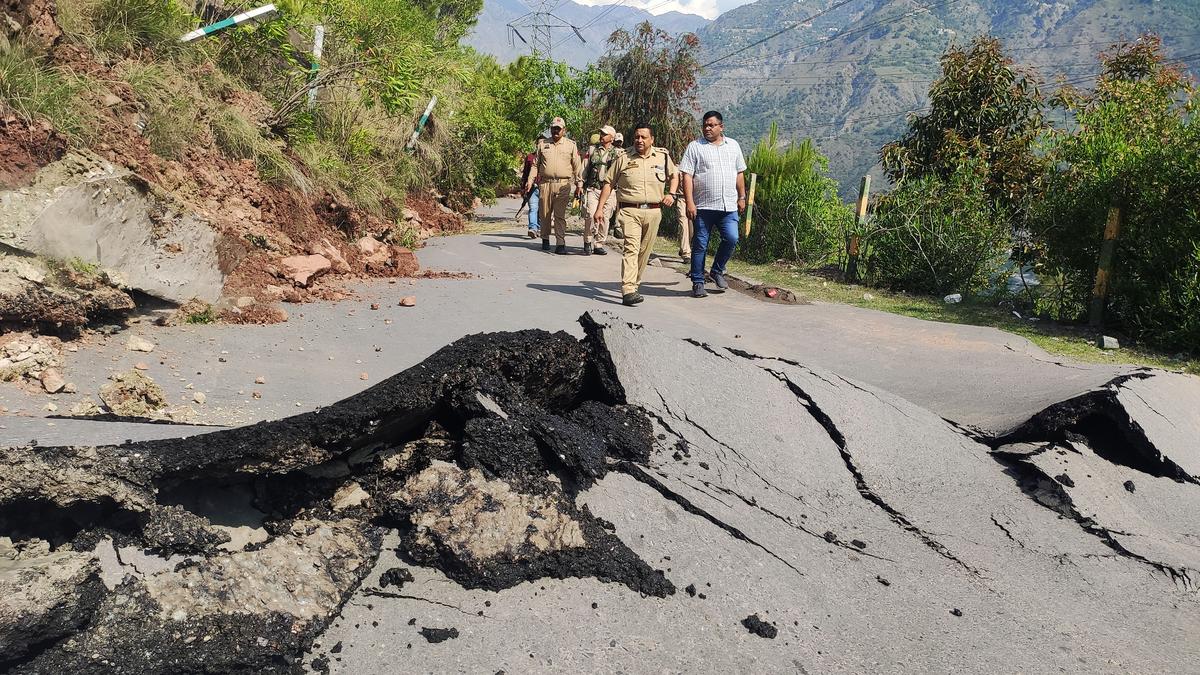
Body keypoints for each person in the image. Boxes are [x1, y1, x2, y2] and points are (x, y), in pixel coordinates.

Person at [594, 122, 678, 307]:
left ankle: (635, 283)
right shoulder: (623, 157)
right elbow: (608, 183)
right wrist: (600, 209)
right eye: (637, 137)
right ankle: (628, 289)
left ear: (652, 140)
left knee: (644, 252)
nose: (639, 140)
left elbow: (674, 175)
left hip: (654, 211)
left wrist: (671, 194)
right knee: (631, 249)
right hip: (629, 210)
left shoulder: (662, 157)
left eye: (643, 137)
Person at [679, 110, 747, 298]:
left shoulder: (733, 146)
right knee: (700, 244)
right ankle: (698, 281)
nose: (707, 128)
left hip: (728, 207)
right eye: (705, 125)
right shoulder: (695, 147)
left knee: (732, 238)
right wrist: (690, 202)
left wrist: (742, 197)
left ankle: (717, 270)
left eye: (711, 125)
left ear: (721, 127)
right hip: (703, 207)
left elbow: (739, 173)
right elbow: (686, 175)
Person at [524, 117, 583, 254]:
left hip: (563, 184)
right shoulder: (543, 144)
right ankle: (545, 238)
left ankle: (560, 243)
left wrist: (579, 184)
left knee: (559, 215)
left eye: (558, 128)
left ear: (564, 130)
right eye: (553, 128)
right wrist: (530, 180)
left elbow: (577, 167)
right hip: (545, 184)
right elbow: (535, 165)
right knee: (545, 214)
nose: (555, 131)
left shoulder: (571, 145)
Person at [582, 125, 619, 256]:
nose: (602, 136)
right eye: (601, 133)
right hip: (593, 188)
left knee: (605, 219)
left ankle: (599, 243)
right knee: (591, 215)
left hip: (610, 191)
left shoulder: (618, 153)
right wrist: (581, 184)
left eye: (605, 134)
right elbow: (585, 168)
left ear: (612, 137)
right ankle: (587, 241)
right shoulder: (593, 150)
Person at [519, 135, 543, 238]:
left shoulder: (549, 159)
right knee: (533, 208)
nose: (540, 145)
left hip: (545, 187)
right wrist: (523, 187)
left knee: (542, 210)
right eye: (539, 143)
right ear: (536, 144)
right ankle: (532, 228)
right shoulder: (529, 157)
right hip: (532, 187)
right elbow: (525, 173)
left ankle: (540, 228)